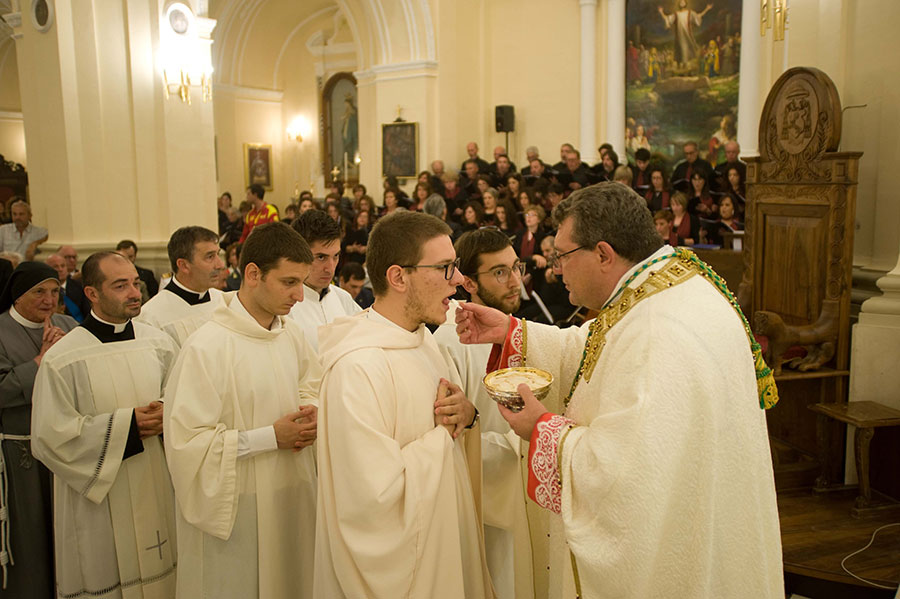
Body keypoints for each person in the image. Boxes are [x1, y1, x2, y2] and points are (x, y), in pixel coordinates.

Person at [455, 182, 782, 598]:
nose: (557, 270)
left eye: (563, 257)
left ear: (604, 253)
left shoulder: (656, 332)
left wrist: (543, 429)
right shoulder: (668, 282)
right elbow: (597, 344)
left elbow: (625, 476)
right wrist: (512, 330)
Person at [314, 211, 494, 599]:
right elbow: (370, 503)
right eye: (445, 268)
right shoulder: (357, 368)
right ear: (398, 277)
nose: (460, 281)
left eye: (456, 267)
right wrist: (442, 438)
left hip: (443, 549)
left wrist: (467, 416)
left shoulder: (422, 341)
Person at [164, 222, 320, 599]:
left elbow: (311, 382)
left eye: (302, 282)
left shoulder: (291, 334)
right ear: (252, 274)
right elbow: (187, 444)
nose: (300, 296)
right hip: (238, 508)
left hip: (293, 496)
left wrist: (311, 408)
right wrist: (271, 437)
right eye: (288, 282)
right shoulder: (208, 347)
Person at [31, 251, 179, 599]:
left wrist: (166, 412)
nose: (134, 292)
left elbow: (181, 396)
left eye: (135, 283)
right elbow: (49, 437)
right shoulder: (63, 359)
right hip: (98, 497)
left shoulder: (158, 343)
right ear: (92, 293)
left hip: (153, 480)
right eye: (120, 285)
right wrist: (127, 426)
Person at [434, 229, 557, 599]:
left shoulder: (529, 332)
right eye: (500, 272)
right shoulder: (449, 339)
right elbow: (449, 430)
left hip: (525, 488)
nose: (515, 281)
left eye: (516, 268)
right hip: (482, 499)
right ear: (468, 282)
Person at [0, 262, 78, 598]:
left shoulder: (68, 324)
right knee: (31, 533)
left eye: (54, 291)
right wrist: (41, 359)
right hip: (21, 453)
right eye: (39, 292)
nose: (49, 300)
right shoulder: (1, 330)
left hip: (65, 445)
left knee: (67, 531)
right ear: (18, 296)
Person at [136, 226, 226, 346]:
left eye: (218, 254)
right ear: (183, 265)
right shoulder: (151, 318)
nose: (220, 264)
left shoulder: (225, 301)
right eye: (210, 257)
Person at [288, 210, 361, 351]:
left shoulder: (343, 298)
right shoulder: (284, 308)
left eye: (336, 256)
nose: (330, 268)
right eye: (321, 257)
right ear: (297, 254)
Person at [46, 252, 90, 322]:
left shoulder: (79, 286)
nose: (60, 269)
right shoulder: (44, 291)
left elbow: (88, 312)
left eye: (63, 266)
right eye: (56, 267)